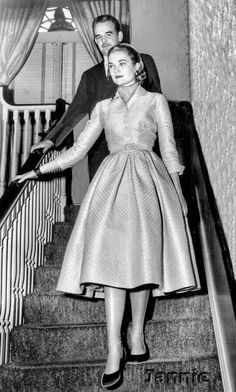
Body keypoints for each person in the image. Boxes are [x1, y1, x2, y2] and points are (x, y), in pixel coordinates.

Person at [16, 44, 200, 390]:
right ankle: (113, 346)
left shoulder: (155, 101)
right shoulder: (103, 107)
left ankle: (136, 332)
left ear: (137, 67)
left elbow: (170, 149)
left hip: (149, 181)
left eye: (121, 63)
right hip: (111, 186)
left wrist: (177, 195)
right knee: (113, 264)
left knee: (142, 262)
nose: (114, 69)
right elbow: (78, 149)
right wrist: (37, 173)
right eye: (109, 65)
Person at [31, 14, 162, 180]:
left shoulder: (144, 62)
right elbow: (73, 112)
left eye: (109, 34)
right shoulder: (90, 76)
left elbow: (157, 106)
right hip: (102, 157)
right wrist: (51, 140)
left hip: (141, 153)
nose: (104, 41)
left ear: (119, 36)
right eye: (98, 37)